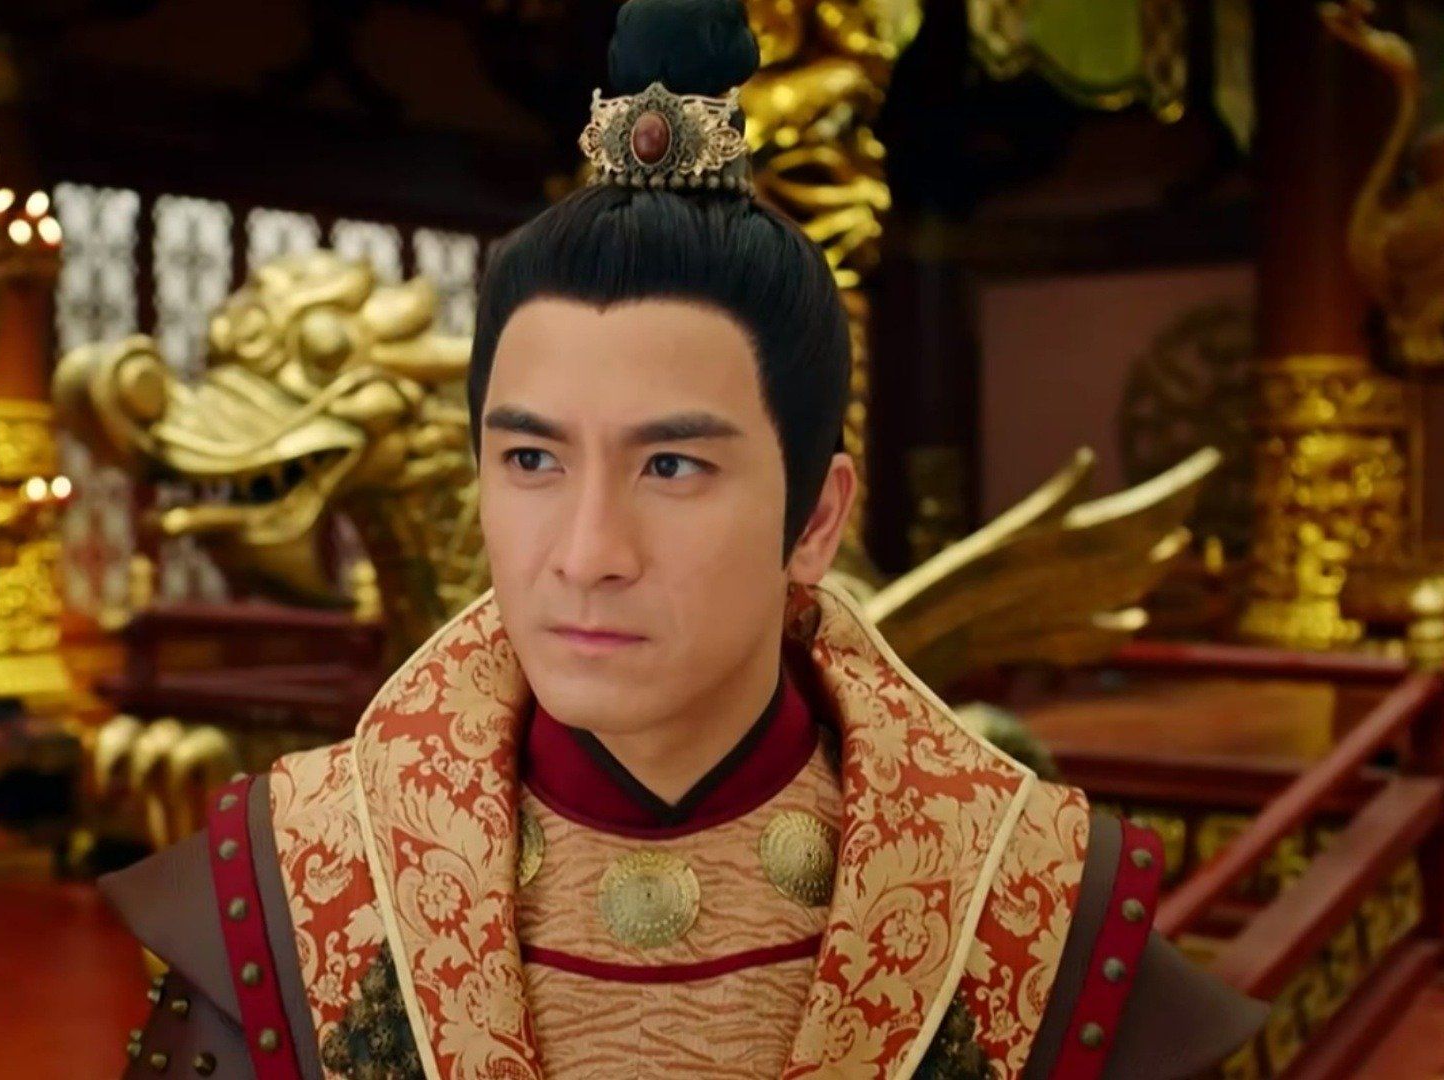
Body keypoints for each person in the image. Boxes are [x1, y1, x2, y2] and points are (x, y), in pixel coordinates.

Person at [101, 1, 1269, 1076]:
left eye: (671, 466)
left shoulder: (1024, 908)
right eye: (533, 461)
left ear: (816, 519)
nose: (586, 552)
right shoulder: (300, 883)